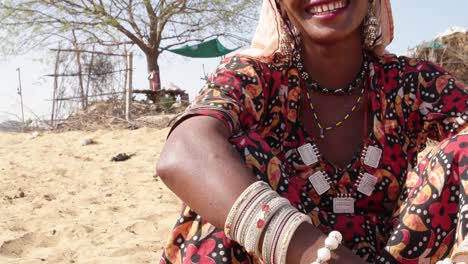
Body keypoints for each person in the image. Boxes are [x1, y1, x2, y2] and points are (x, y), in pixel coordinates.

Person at [157, 0, 468, 263]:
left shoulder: (413, 82)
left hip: (395, 253)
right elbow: (182, 154)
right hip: (284, 256)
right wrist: (317, 254)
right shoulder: (255, 78)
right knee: (223, 178)